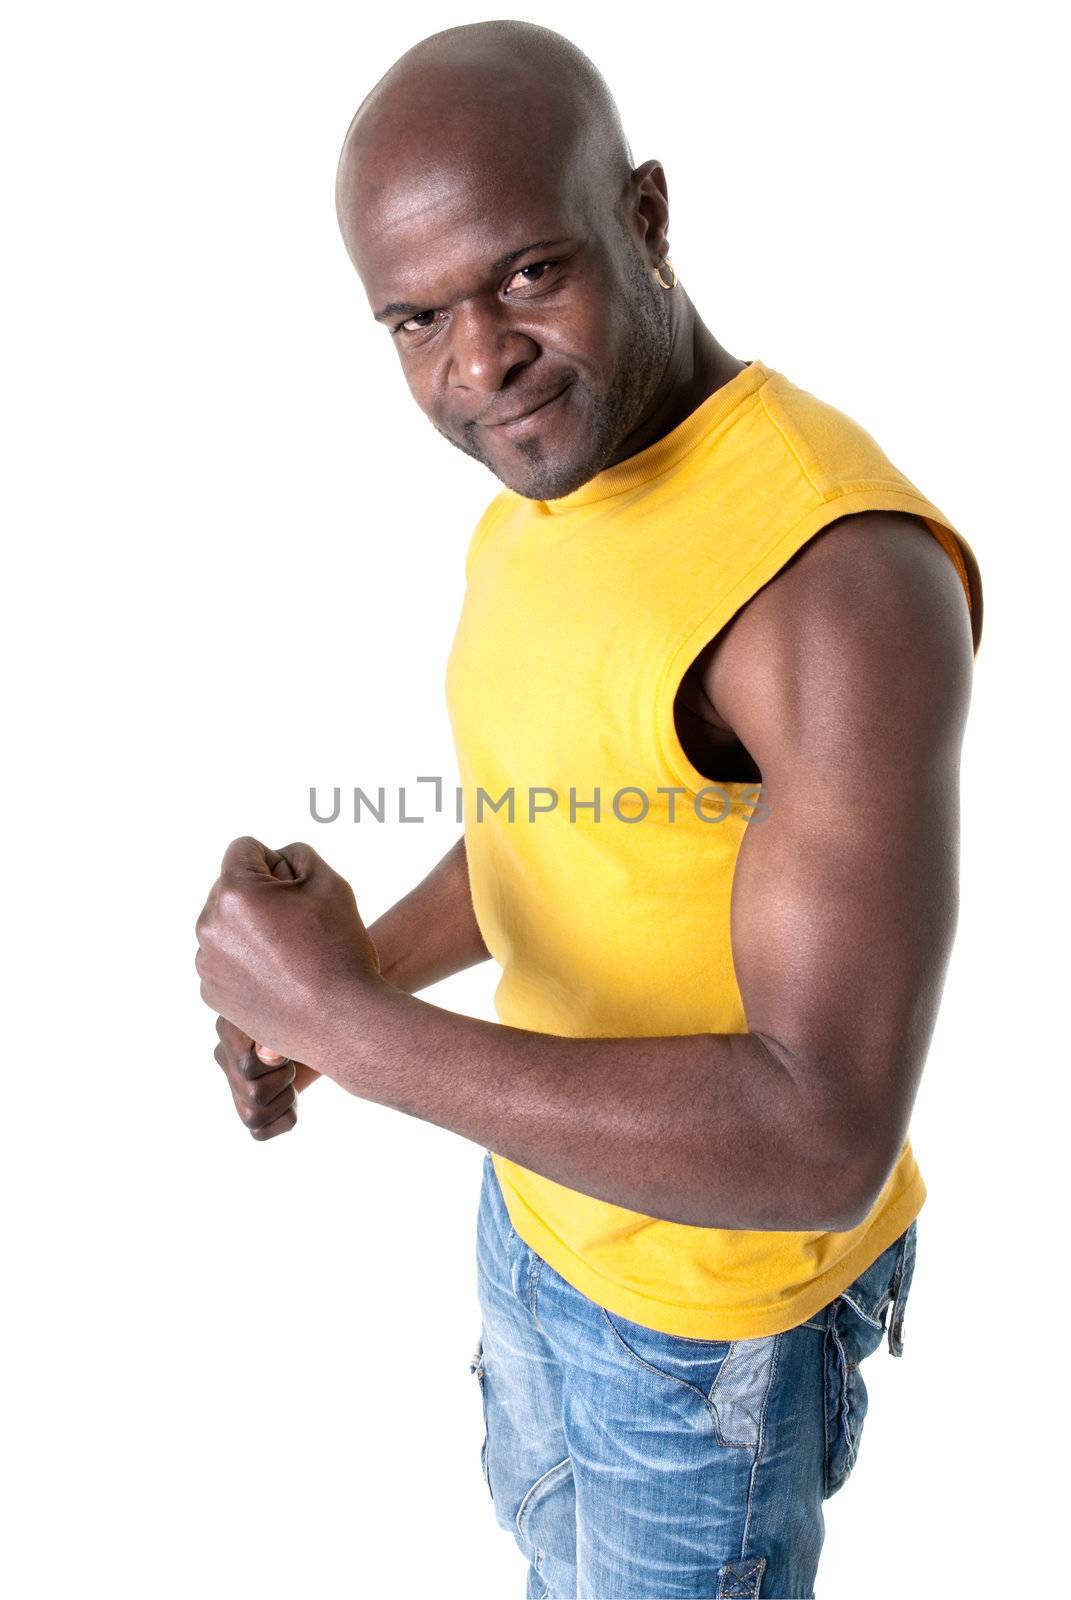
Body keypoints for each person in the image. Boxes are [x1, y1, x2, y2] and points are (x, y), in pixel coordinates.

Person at [195, 20, 984, 1598]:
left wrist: (353, 1030)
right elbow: (563, 823)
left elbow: (822, 1133)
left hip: (703, 1348)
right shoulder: (548, 482)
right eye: (415, 318)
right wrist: (348, 988)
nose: (476, 363)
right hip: (541, 1221)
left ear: (646, 217)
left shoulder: (834, 587)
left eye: (526, 275)